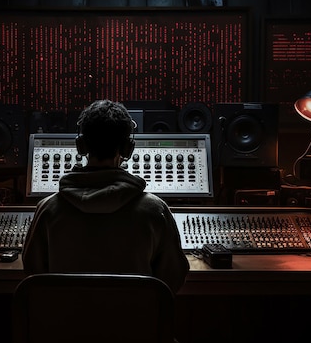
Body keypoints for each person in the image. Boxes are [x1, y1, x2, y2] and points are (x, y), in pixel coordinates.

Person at [22, 99, 190, 295]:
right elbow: (172, 280)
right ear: (128, 148)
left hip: (65, 324)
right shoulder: (155, 210)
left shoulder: (47, 209)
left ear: (81, 145)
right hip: (134, 324)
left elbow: (33, 276)